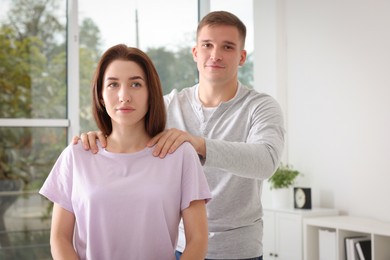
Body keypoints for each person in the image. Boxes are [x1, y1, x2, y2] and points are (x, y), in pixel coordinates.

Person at [75, 11, 285, 260]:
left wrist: (198, 144)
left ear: (241, 57)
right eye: (207, 45)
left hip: (239, 250)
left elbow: (266, 161)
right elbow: (125, 128)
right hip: (181, 246)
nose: (215, 55)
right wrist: (100, 136)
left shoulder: (260, 106)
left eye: (227, 47)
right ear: (195, 53)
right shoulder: (167, 106)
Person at [40, 44, 211, 260]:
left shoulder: (181, 155)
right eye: (113, 84)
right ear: (101, 96)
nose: (124, 96)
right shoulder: (76, 155)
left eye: (136, 84)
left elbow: (198, 240)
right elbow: (59, 238)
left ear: (151, 94)